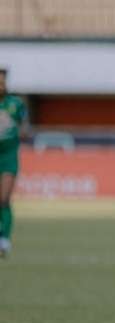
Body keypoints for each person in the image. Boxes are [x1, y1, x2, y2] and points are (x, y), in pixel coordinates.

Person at [0, 67, 30, 258]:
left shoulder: (15, 104)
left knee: (3, 199)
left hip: (8, 156)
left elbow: (25, 127)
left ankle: (4, 238)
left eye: (2, 82)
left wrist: (21, 131)